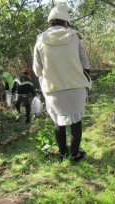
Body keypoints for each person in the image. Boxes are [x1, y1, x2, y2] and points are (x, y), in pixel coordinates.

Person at [33, 2, 91, 162]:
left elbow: (37, 69)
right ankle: (74, 154)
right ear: (66, 21)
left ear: (50, 21)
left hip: (53, 89)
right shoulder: (74, 36)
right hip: (76, 87)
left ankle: (62, 153)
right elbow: (85, 63)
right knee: (76, 121)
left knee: (59, 122)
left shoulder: (40, 39)